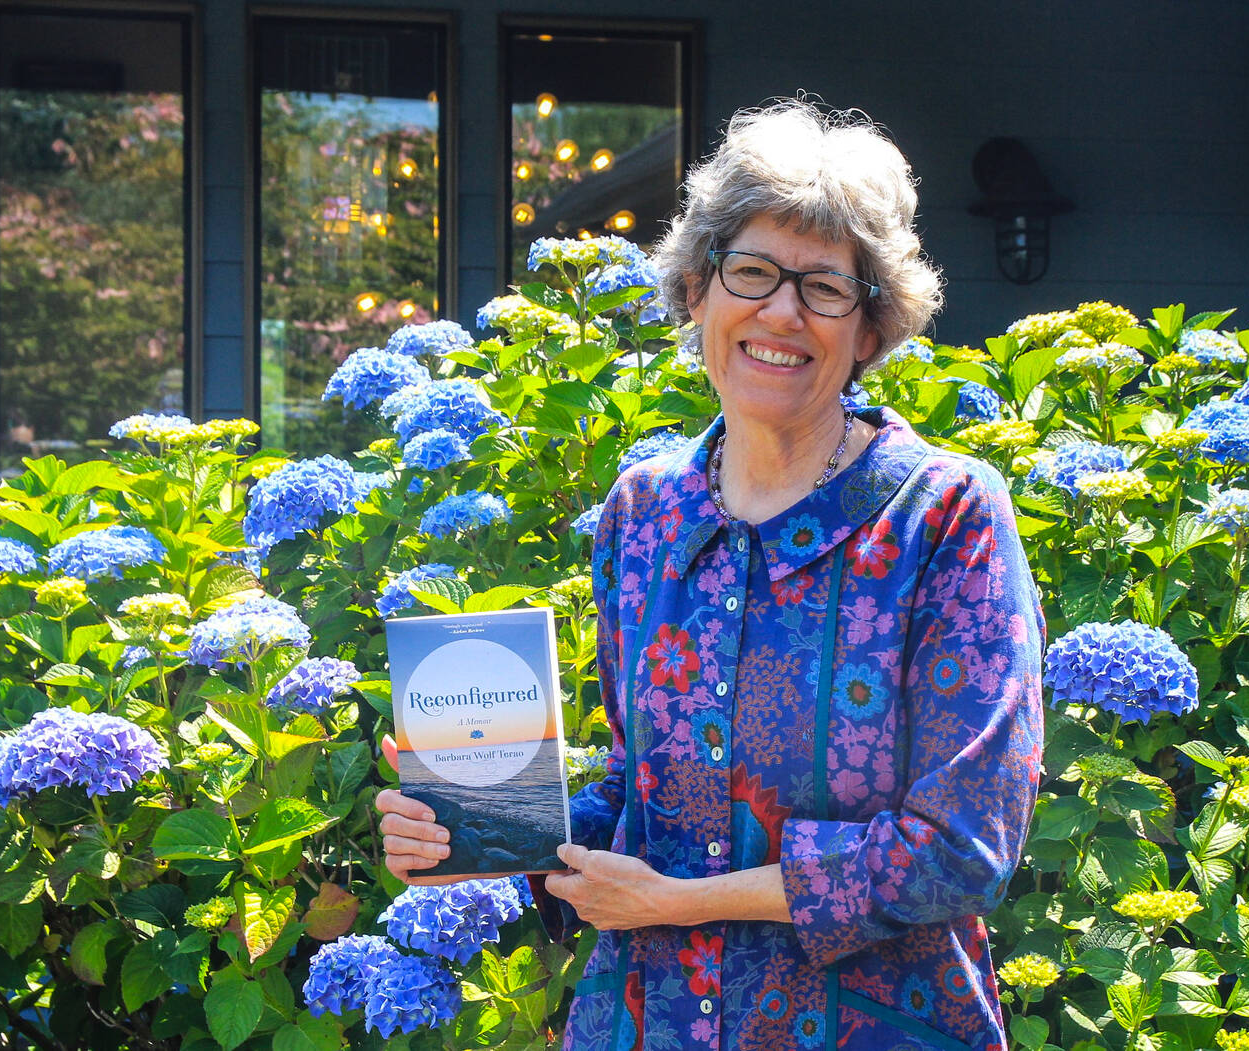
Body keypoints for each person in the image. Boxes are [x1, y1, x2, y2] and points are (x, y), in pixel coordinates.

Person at [377, 99, 1045, 1051]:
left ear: (871, 328)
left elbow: (962, 848)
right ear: (697, 290)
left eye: (824, 288)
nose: (781, 311)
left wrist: (678, 901)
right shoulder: (643, 514)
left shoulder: (942, 516)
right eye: (752, 271)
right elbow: (637, 791)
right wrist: (474, 820)